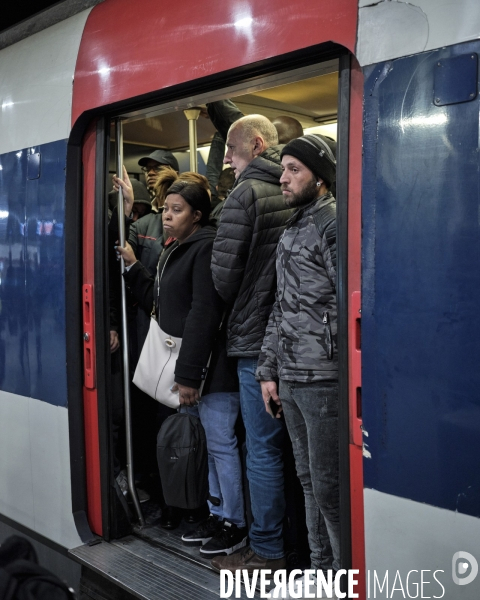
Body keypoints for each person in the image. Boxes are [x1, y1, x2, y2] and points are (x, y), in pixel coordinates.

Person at [116, 179, 247, 557]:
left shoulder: (203, 249)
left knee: (222, 446)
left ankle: (234, 524)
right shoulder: (177, 249)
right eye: (166, 208)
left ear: (198, 216)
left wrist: (189, 376)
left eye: (177, 210)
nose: (167, 215)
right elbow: (160, 302)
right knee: (209, 444)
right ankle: (217, 512)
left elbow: (203, 314)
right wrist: (133, 268)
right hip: (193, 367)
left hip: (211, 370)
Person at [210, 115, 294, 573]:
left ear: (257, 145)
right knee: (285, 449)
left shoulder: (244, 195)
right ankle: (292, 544)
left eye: (230, 149)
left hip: (252, 340)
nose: (225, 158)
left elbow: (223, 278)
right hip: (289, 337)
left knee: (260, 448)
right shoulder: (291, 187)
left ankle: (265, 551)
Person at [256, 135, 340, 583]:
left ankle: (345, 578)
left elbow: (352, 301)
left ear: (320, 177)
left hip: (324, 377)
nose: (282, 178)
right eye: (282, 168)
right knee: (308, 481)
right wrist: (269, 370)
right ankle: (321, 573)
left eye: (293, 170)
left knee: (328, 489)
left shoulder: (331, 224)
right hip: (292, 375)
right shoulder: (294, 225)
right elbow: (280, 305)